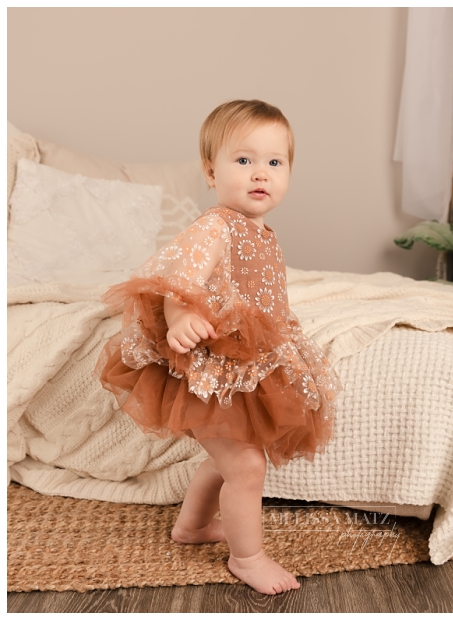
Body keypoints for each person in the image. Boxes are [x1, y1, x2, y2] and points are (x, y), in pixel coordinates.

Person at [98, 100, 341, 594]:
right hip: (210, 368)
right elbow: (174, 279)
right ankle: (247, 557)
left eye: (275, 163)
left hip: (246, 368)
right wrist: (182, 316)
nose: (261, 173)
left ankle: (190, 527)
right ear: (211, 172)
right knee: (247, 466)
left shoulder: (265, 234)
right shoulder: (215, 226)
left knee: (231, 459)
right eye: (243, 160)